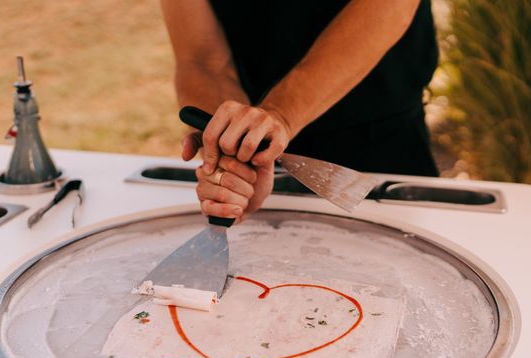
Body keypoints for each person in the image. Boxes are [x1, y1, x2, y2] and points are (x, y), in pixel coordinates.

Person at [161, 0, 439, 221]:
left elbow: (389, 8)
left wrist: (280, 115)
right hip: (257, 158)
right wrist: (232, 144)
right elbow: (202, 59)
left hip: (382, 145)